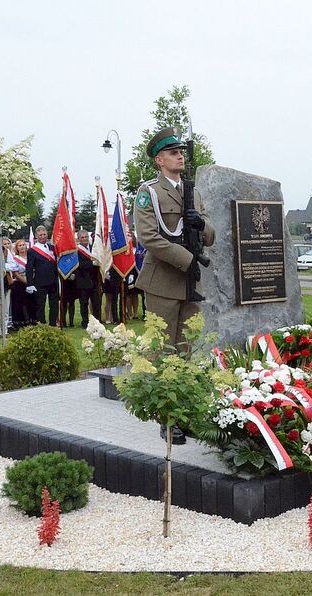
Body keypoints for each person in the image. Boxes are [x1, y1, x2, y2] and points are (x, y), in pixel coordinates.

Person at [134, 127, 215, 444]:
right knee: (163, 351)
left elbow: (211, 235)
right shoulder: (149, 192)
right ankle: (166, 419)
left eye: (181, 151)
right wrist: (188, 260)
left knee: (185, 351)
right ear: (159, 159)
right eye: (172, 152)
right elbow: (150, 238)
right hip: (164, 282)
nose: (180, 155)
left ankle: (182, 414)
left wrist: (201, 223)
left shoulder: (193, 192)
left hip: (189, 283)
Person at [26, 225, 59, 326]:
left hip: (53, 281)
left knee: (54, 305)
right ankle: (42, 325)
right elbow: (29, 268)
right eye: (40, 235)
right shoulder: (32, 251)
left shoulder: (52, 248)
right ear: (36, 236)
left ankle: (53, 325)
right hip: (40, 282)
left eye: (44, 234)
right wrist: (30, 283)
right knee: (40, 306)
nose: (43, 236)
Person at [73, 229, 100, 328]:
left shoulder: (94, 248)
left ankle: (97, 322)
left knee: (96, 303)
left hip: (94, 281)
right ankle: (85, 322)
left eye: (86, 237)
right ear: (79, 239)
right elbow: (78, 264)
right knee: (84, 304)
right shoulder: (76, 250)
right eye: (82, 237)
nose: (84, 239)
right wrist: (92, 263)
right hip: (82, 281)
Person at [10, 239, 33, 328]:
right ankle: (22, 322)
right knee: (21, 304)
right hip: (19, 284)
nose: (22, 247)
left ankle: (32, 320)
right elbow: (15, 273)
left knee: (31, 303)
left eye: (23, 245)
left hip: (32, 283)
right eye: (20, 245)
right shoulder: (15, 258)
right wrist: (26, 281)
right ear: (17, 248)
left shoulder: (31, 257)